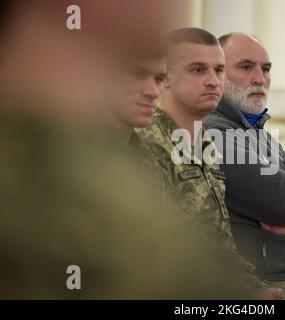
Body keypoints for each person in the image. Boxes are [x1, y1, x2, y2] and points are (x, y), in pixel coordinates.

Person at [0, 2, 252, 299]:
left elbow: (203, 247)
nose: (152, 91)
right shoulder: (49, 159)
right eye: (136, 74)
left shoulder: (151, 149)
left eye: (157, 79)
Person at [138, 27, 283, 300]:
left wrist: (254, 289)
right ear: (165, 77)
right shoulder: (147, 144)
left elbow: (220, 244)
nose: (213, 81)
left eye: (218, 70)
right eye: (197, 70)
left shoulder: (206, 147)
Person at [204, 32, 285, 299]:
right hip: (266, 285)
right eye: (246, 66)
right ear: (217, 73)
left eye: (266, 69)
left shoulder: (260, 134)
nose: (260, 79)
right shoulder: (214, 132)